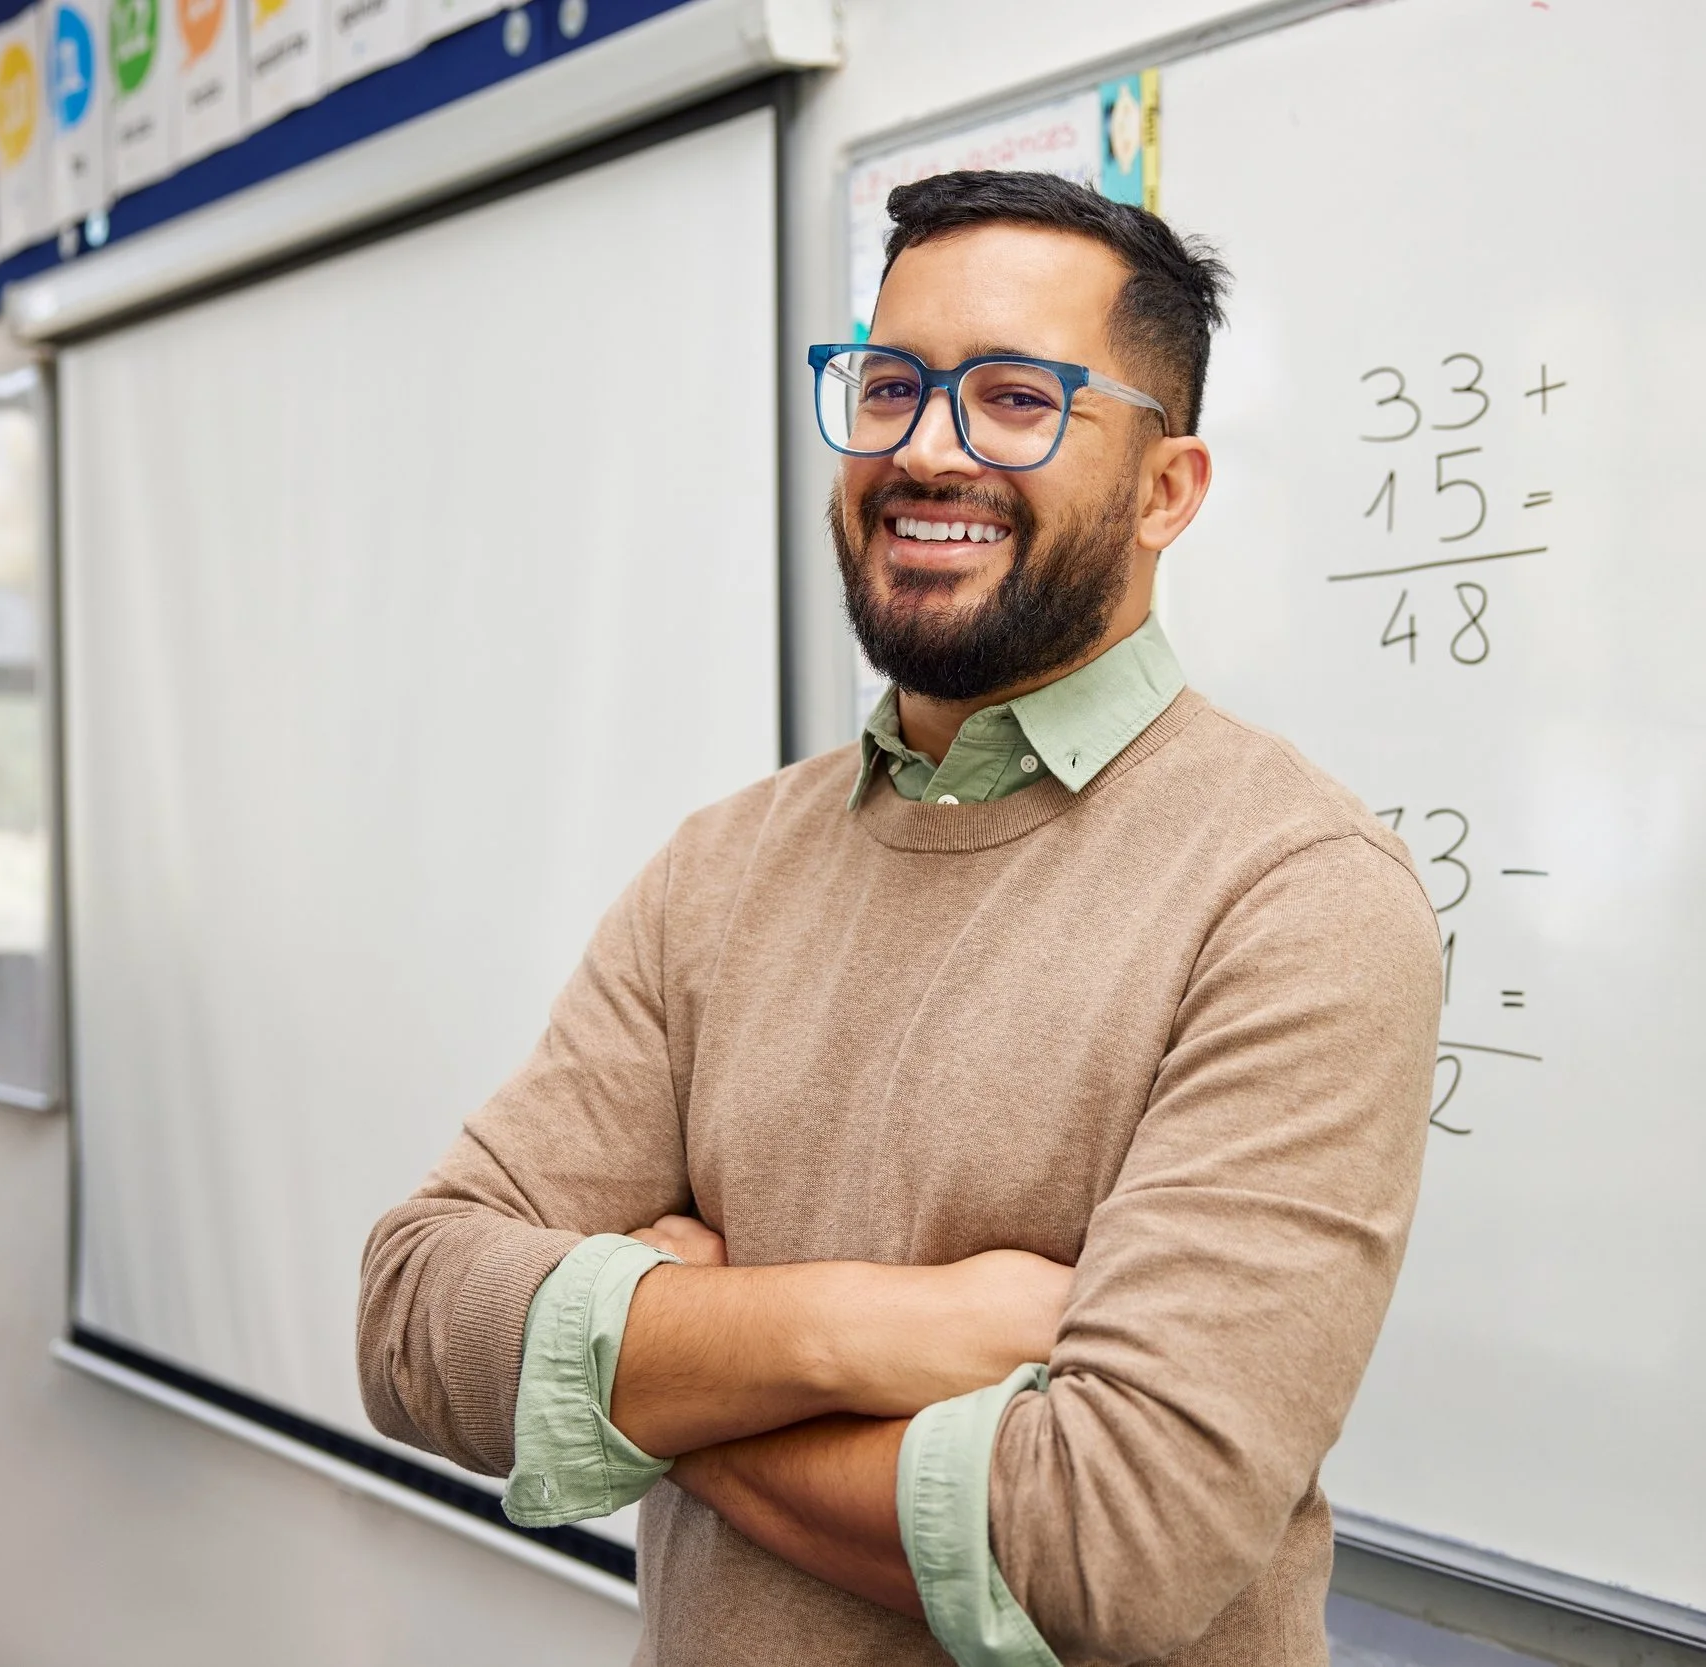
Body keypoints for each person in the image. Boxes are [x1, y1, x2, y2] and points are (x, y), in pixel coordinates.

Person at [358, 169, 1439, 1666]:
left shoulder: (1295, 894)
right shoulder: (719, 868)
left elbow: (1104, 1541)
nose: (927, 449)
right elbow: (418, 1316)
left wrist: (657, 1361)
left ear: (1164, 489)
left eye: (1016, 399)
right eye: (888, 385)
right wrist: (858, 1330)